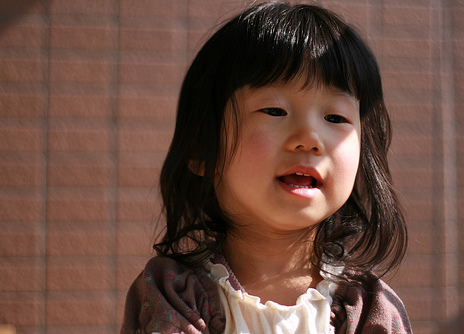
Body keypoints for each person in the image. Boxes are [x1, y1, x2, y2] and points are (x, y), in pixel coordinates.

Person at [120, 1, 412, 333]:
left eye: (335, 117)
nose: (309, 138)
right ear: (202, 147)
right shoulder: (173, 295)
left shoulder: (370, 310)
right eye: (275, 110)